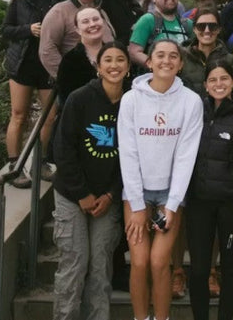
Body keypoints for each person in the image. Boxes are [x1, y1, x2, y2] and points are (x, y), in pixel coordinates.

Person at [118, 39, 204, 320]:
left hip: (170, 193)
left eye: (173, 56)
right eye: (160, 56)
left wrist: (172, 204)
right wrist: (138, 205)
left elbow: (185, 156)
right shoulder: (131, 99)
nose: (166, 61)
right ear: (150, 62)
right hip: (137, 192)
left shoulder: (191, 101)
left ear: (180, 64)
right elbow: (128, 153)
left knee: (158, 262)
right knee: (140, 262)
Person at [50, 42, 131, 320]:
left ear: (128, 68)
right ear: (98, 66)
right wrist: (82, 193)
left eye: (120, 60)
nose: (114, 65)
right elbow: (63, 149)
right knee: (74, 263)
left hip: (107, 198)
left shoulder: (132, 103)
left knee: (100, 266)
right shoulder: (79, 98)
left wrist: (111, 194)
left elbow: (133, 157)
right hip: (72, 195)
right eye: (107, 60)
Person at [186, 56, 233, 320]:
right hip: (199, 202)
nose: (218, 84)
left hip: (232, 206)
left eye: (223, 79)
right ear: (205, 85)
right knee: (198, 269)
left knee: (229, 267)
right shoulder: (196, 111)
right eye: (212, 80)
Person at [1, 0, 66, 188]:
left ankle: (40, 163)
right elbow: (6, 30)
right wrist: (28, 29)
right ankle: (14, 166)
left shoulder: (59, 0)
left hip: (48, 66)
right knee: (19, 115)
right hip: (22, 65)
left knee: (50, 116)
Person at [180, 5, 233, 97]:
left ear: (219, 29)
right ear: (194, 29)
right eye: (201, 26)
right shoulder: (182, 59)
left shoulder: (231, 61)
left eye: (212, 26)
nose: (207, 30)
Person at [130, 0, 193, 66]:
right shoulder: (148, 20)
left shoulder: (187, 24)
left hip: (185, 78)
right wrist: (157, 67)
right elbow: (134, 52)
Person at [55, 6, 111, 104]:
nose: (92, 24)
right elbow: (67, 100)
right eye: (85, 21)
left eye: (96, 19)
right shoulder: (70, 60)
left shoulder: (115, 53)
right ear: (77, 29)